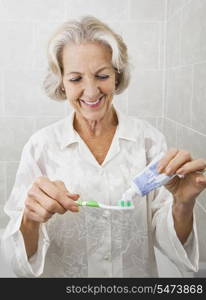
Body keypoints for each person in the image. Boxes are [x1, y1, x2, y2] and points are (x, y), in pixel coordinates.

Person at [1, 16, 206, 278]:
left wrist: (183, 204)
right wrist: (30, 219)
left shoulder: (149, 141)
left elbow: (169, 243)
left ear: (117, 76)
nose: (90, 91)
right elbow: (20, 265)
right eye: (76, 78)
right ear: (61, 82)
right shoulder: (40, 147)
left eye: (102, 75)